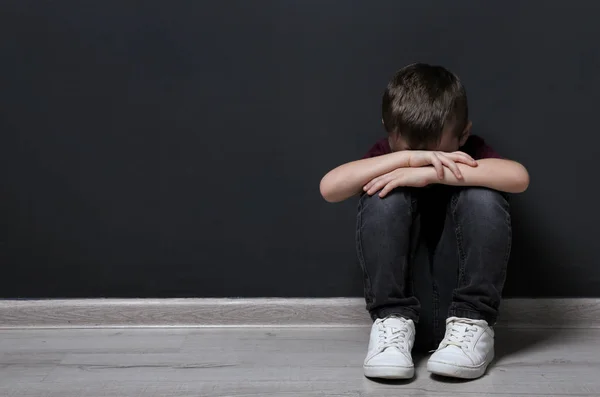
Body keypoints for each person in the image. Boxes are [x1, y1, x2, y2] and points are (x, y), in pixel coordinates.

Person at [319, 63, 529, 380]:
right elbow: (329, 188)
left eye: (437, 153)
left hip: (461, 318)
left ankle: (471, 326)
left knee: (483, 194)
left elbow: (518, 177)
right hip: (401, 317)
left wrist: (430, 173)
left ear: (464, 135)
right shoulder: (388, 153)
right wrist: (405, 161)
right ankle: (390, 327)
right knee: (383, 191)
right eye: (412, 151)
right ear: (390, 133)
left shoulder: (472, 151)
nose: (425, 157)